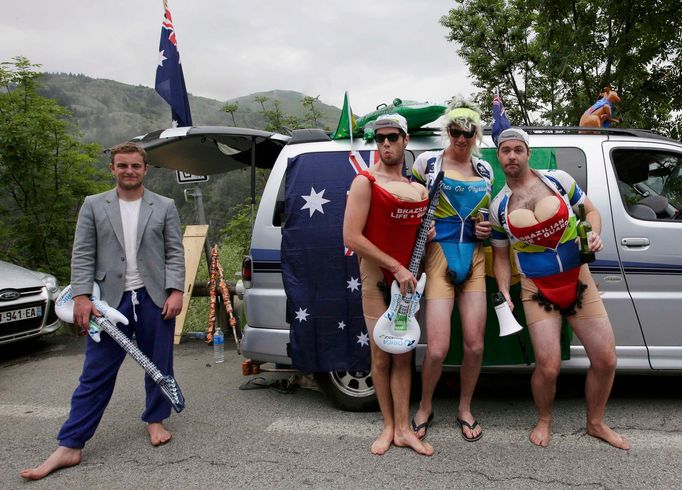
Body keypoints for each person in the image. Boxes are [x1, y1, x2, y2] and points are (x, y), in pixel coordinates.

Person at [21, 142, 186, 480]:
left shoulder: (164, 205)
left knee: (158, 363)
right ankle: (70, 444)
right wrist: (82, 296)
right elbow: (82, 253)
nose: (129, 171)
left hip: (154, 297)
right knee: (95, 373)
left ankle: (156, 420)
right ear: (112, 169)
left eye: (135, 166)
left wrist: (176, 290)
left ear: (145, 169)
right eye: (122, 166)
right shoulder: (94, 206)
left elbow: (175, 252)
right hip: (108, 302)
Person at [489, 127, 629, 449]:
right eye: (505, 150)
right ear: (498, 157)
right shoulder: (499, 206)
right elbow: (499, 256)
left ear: (528, 152)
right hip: (536, 288)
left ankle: (595, 422)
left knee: (606, 359)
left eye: (517, 149)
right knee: (549, 367)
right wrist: (504, 290)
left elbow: (590, 212)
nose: (512, 155)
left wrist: (593, 232)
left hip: (577, 280)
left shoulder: (558, 181)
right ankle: (544, 418)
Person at [343, 114, 434, 456]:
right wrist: (394, 266)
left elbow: (415, 236)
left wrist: (426, 237)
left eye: (392, 137)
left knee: (404, 355)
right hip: (377, 277)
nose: (385, 144)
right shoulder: (365, 181)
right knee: (381, 355)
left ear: (405, 139)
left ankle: (405, 429)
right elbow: (351, 236)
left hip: (408, 283)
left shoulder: (419, 189)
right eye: (379, 139)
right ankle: (387, 427)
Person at [411, 98, 493, 442]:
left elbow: (486, 217)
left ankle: (464, 408)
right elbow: (409, 200)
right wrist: (420, 226)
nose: (462, 138)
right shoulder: (427, 161)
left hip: (473, 257)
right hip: (438, 256)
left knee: (474, 346)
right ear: (448, 131)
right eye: (456, 131)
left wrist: (485, 229)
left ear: (476, 134)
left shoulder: (485, 170)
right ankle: (425, 406)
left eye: (468, 132)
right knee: (439, 348)